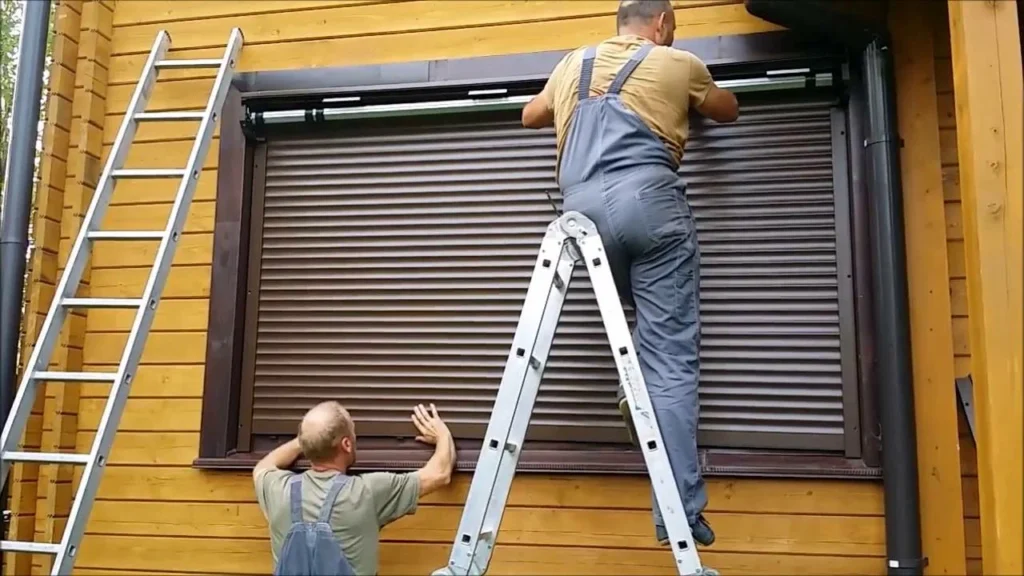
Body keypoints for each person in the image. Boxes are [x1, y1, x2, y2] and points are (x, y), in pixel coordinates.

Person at [520, 0, 739, 550]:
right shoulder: (678, 61)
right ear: (661, 24)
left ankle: (629, 381)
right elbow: (726, 109)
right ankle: (679, 513)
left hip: (579, 215)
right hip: (647, 199)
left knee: (636, 322)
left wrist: (573, 102)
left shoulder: (573, 62)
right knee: (670, 355)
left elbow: (531, 114)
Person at [252, 401, 456, 575]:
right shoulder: (367, 492)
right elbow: (440, 473)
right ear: (347, 444)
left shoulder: (277, 490)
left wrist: (307, 440)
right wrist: (442, 435)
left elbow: (263, 466)